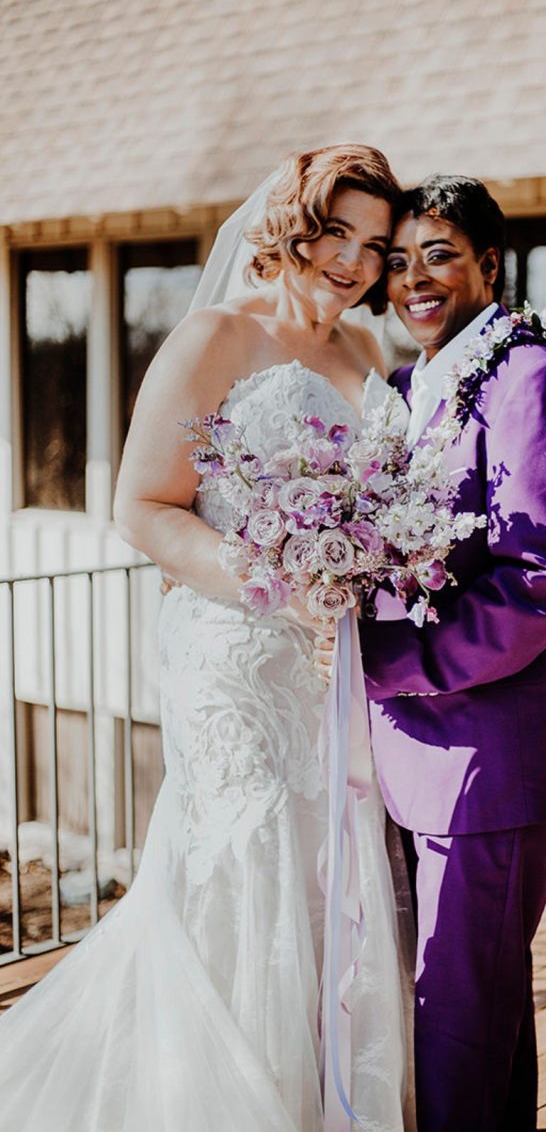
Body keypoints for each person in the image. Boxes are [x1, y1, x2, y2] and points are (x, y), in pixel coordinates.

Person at [0, 145, 410, 1132]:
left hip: (329, 669)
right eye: (336, 233)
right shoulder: (214, 339)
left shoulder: (368, 357)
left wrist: (369, 564)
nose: (354, 261)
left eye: (375, 245)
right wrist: (283, 583)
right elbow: (142, 509)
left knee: (324, 872)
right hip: (233, 657)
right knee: (246, 862)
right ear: (292, 227)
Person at [360, 175, 546, 1132]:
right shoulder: (409, 386)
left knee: (454, 1016)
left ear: (489, 264)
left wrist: (397, 664)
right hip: (421, 755)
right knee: (479, 1009)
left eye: (440, 254)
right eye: (400, 259)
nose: (415, 279)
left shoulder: (531, 377)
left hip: (489, 761)